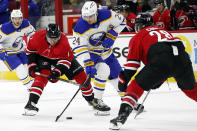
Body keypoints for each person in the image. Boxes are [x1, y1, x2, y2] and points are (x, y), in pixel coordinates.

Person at [109, 13, 197, 130]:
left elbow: (132, 65)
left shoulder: (139, 36)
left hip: (162, 59)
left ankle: (122, 116)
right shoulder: (163, 30)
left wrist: (123, 80)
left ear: (139, 26)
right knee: (191, 89)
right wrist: (158, 79)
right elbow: (170, 61)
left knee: (135, 87)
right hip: (182, 57)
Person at [23, 23, 94, 116]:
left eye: (56, 38)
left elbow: (66, 61)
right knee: (42, 75)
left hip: (61, 58)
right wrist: (32, 66)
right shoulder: (36, 37)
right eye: (50, 38)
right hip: (43, 57)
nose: (53, 41)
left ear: (59, 35)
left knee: (81, 76)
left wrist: (57, 72)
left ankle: (91, 100)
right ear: (46, 35)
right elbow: (30, 52)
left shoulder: (64, 42)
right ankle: (31, 103)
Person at [72, 1, 126, 115]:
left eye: (91, 16)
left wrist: (113, 34)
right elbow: (79, 48)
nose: (88, 19)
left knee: (118, 74)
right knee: (104, 70)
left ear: (96, 13)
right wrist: (87, 62)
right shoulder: (79, 27)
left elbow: (122, 21)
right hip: (91, 53)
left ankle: (127, 100)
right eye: (85, 17)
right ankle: (97, 101)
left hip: (106, 50)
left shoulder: (107, 15)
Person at [0, 9, 35, 91]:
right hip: (7, 51)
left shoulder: (26, 23)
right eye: (15, 19)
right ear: (11, 19)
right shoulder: (4, 29)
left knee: (27, 66)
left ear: (22, 18)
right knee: (19, 67)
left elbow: (32, 33)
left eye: (19, 18)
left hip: (20, 49)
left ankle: (30, 83)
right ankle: (30, 86)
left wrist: (34, 44)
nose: (17, 21)